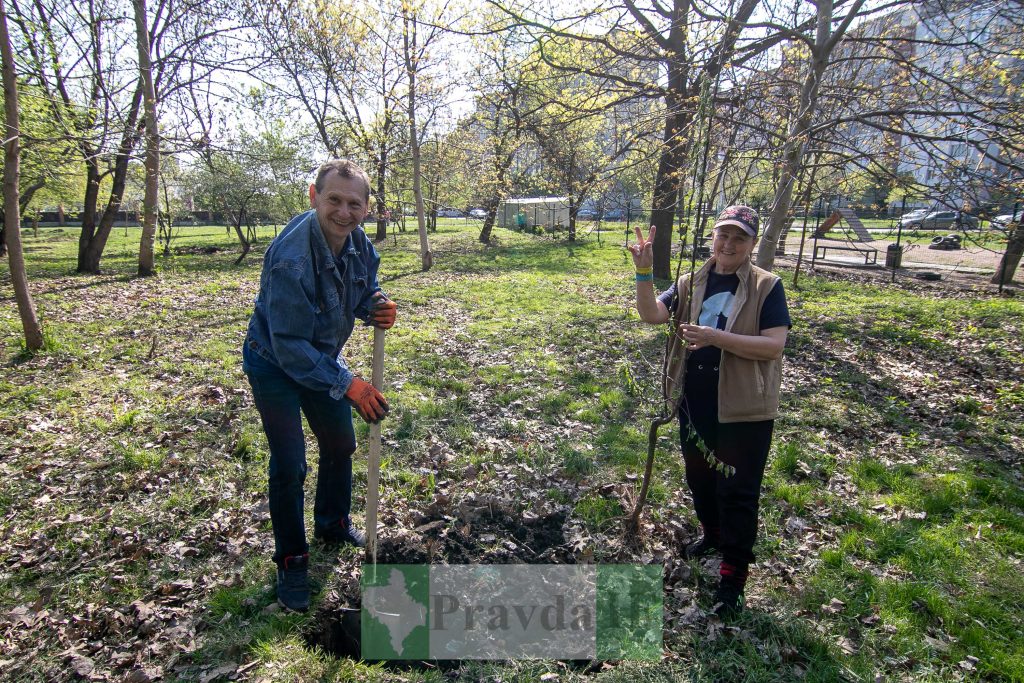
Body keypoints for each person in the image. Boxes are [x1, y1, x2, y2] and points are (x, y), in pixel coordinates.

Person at [242, 159, 397, 612]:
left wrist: (375, 306)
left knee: (340, 444)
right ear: (314, 196)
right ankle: (292, 561)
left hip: (322, 356)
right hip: (274, 363)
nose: (343, 212)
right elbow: (289, 345)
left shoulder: (358, 244)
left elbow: (362, 287)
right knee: (290, 464)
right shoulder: (291, 258)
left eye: (354, 203)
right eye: (334, 200)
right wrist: (347, 384)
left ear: (367, 208)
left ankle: (331, 522)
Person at [628, 206, 790, 617]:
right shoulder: (691, 281)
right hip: (694, 400)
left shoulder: (767, 287)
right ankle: (713, 536)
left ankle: (733, 577)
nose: (728, 244)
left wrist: (718, 337)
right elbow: (651, 315)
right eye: (723, 235)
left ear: (752, 244)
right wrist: (644, 273)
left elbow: (773, 346)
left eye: (739, 238)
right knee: (700, 477)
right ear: (712, 238)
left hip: (743, 407)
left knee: (737, 491)